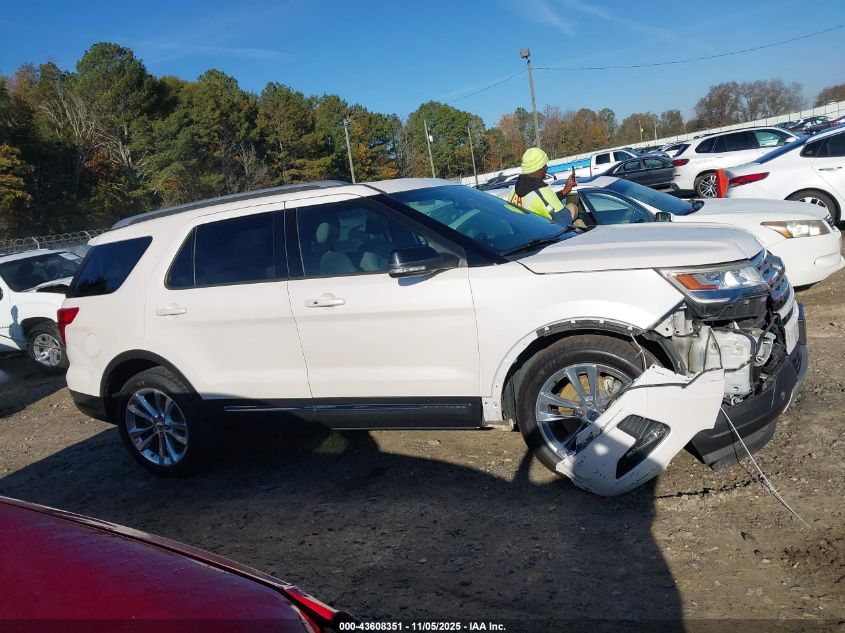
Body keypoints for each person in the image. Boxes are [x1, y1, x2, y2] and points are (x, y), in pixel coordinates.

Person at [507, 147, 578, 224]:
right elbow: (566, 221)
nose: (547, 168)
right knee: (573, 210)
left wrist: (564, 191)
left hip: (526, 233)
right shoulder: (543, 192)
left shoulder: (514, 190)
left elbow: (541, 203)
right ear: (540, 168)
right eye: (545, 165)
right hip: (546, 234)